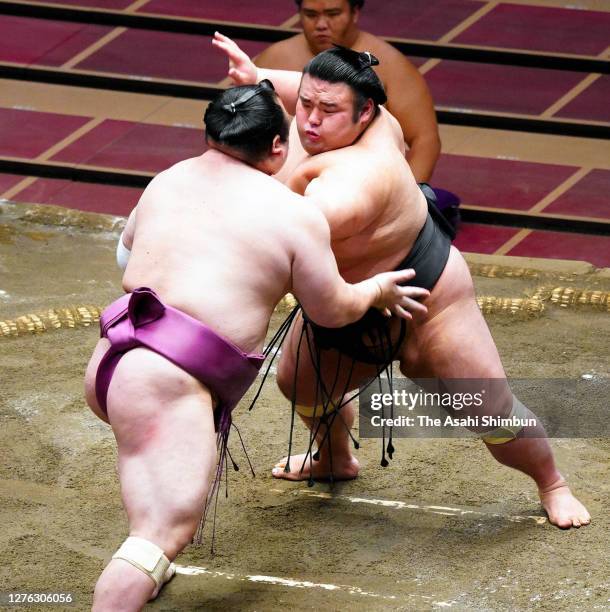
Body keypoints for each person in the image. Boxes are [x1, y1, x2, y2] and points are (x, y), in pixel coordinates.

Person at [212, 32, 591, 530]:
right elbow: (305, 89)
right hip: (349, 302)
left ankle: (552, 483)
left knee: (488, 411)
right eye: (304, 104)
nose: (309, 120)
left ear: (365, 113)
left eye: (327, 111)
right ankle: (335, 459)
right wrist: (256, 79)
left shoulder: (357, 180)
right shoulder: (350, 118)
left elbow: (284, 235)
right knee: (299, 384)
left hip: (429, 300)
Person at [83, 81, 430, 611]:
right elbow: (331, 309)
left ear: (210, 133)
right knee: (160, 532)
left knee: (149, 487)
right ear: (276, 147)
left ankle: (145, 563)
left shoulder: (168, 179)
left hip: (119, 358)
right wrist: (376, 289)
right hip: (166, 381)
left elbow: (126, 258)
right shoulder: (293, 215)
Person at [255, 0, 441, 182]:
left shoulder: (390, 65)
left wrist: (407, 195)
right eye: (311, 14)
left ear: (355, 12)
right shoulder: (274, 60)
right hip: (282, 187)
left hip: (362, 185)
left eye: (333, 14)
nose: (321, 24)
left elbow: (425, 140)